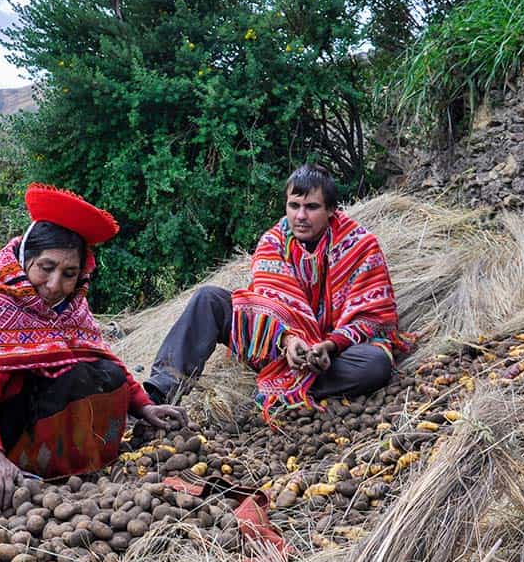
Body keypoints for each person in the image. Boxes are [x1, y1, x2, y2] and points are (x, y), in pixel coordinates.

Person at [0, 183, 187, 505]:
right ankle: (25, 460)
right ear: (25, 260)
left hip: (25, 417)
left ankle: (66, 466)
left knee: (102, 373)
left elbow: (102, 357)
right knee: (75, 379)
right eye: (46, 268)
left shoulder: (71, 309)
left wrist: (144, 406)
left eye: (69, 273)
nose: (54, 285)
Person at [144, 164, 409, 417]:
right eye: (294, 206)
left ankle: (281, 387)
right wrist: (288, 341)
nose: (300, 216)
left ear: (330, 209)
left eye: (311, 207)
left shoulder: (361, 246)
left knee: (375, 363)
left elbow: (372, 318)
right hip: (276, 345)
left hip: (332, 353)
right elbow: (266, 305)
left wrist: (329, 345)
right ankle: (158, 394)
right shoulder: (273, 242)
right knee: (208, 298)